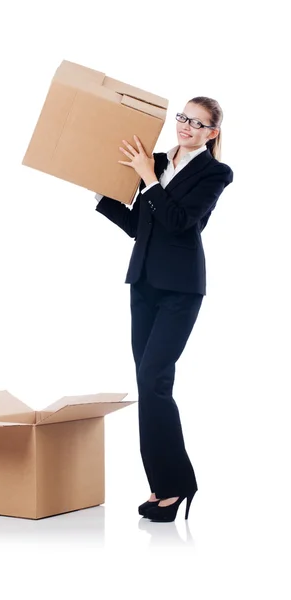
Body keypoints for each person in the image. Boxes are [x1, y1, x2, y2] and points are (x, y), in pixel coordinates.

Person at [95, 97, 233, 522]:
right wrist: (105, 197)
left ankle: (174, 487)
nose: (185, 126)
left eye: (197, 122)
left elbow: (179, 222)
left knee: (154, 380)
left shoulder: (215, 173)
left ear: (212, 133)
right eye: (182, 117)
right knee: (150, 384)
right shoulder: (154, 160)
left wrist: (148, 180)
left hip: (181, 290)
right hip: (144, 284)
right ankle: (165, 485)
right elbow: (143, 226)